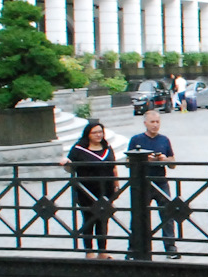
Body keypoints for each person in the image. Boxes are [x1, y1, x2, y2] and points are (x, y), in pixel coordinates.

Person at [126, 110, 181, 258]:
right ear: (145, 123)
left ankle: (170, 247)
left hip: (161, 182)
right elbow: (127, 163)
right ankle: (133, 249)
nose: (155, 125)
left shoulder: (164, 140)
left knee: (167, 214)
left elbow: (173, 163)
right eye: (152, 122)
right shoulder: (136, 139)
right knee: (137, 216)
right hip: (142, 183)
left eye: (157, 122)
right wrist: (143, 159)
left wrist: (164, 159)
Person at [60, 120, 118, 258]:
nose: (98, 135)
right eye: (95, 132)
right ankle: (89, 251)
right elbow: (70, 167)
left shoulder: (107, 148)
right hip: (86, 190)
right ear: (88, 134)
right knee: (88, 219)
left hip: (106, 190)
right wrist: (66, 164)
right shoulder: (79, 149)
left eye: (100, 132)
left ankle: (102, 251)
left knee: (103, 219)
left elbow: (113, 167)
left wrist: (116, 185)